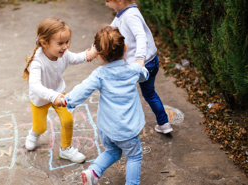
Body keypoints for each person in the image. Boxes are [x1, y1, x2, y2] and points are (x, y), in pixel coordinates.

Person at [61, 25, 149, 185]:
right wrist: (140, 66)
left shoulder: (100, 74)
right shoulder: (133, 70)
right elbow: (144, 75)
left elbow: (83, 89)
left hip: (107, 129)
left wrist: (68, 100)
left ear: (100, 56)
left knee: (113, 151)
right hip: (128, 130)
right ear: (125, 47)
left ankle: (94, 172)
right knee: (134, 156)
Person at [22, 17, 97, 163]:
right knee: (40, 127)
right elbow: (35, 86)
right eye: (60, 43)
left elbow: (75, 57)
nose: (65, 47)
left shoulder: (63, 54)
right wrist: (53, 96)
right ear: (45, 43)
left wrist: (87, 55)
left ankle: (66, 149)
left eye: (67, 42)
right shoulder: (37, 62)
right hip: (41, 99)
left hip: (59, 94)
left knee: (68, 120)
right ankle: (34, 133)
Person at [105, 0, 173, 134]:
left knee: (124, 94)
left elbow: (141, 36)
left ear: (119, 1)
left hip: (141, 65)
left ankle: (124, 127)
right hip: (151, 62)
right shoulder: (123, 14)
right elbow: (107, 32)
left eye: (107, 1)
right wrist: (94, 48)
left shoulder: (130, 15)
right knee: (150, 94)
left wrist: (139, 59)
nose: (106, 4)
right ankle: (164, 124)